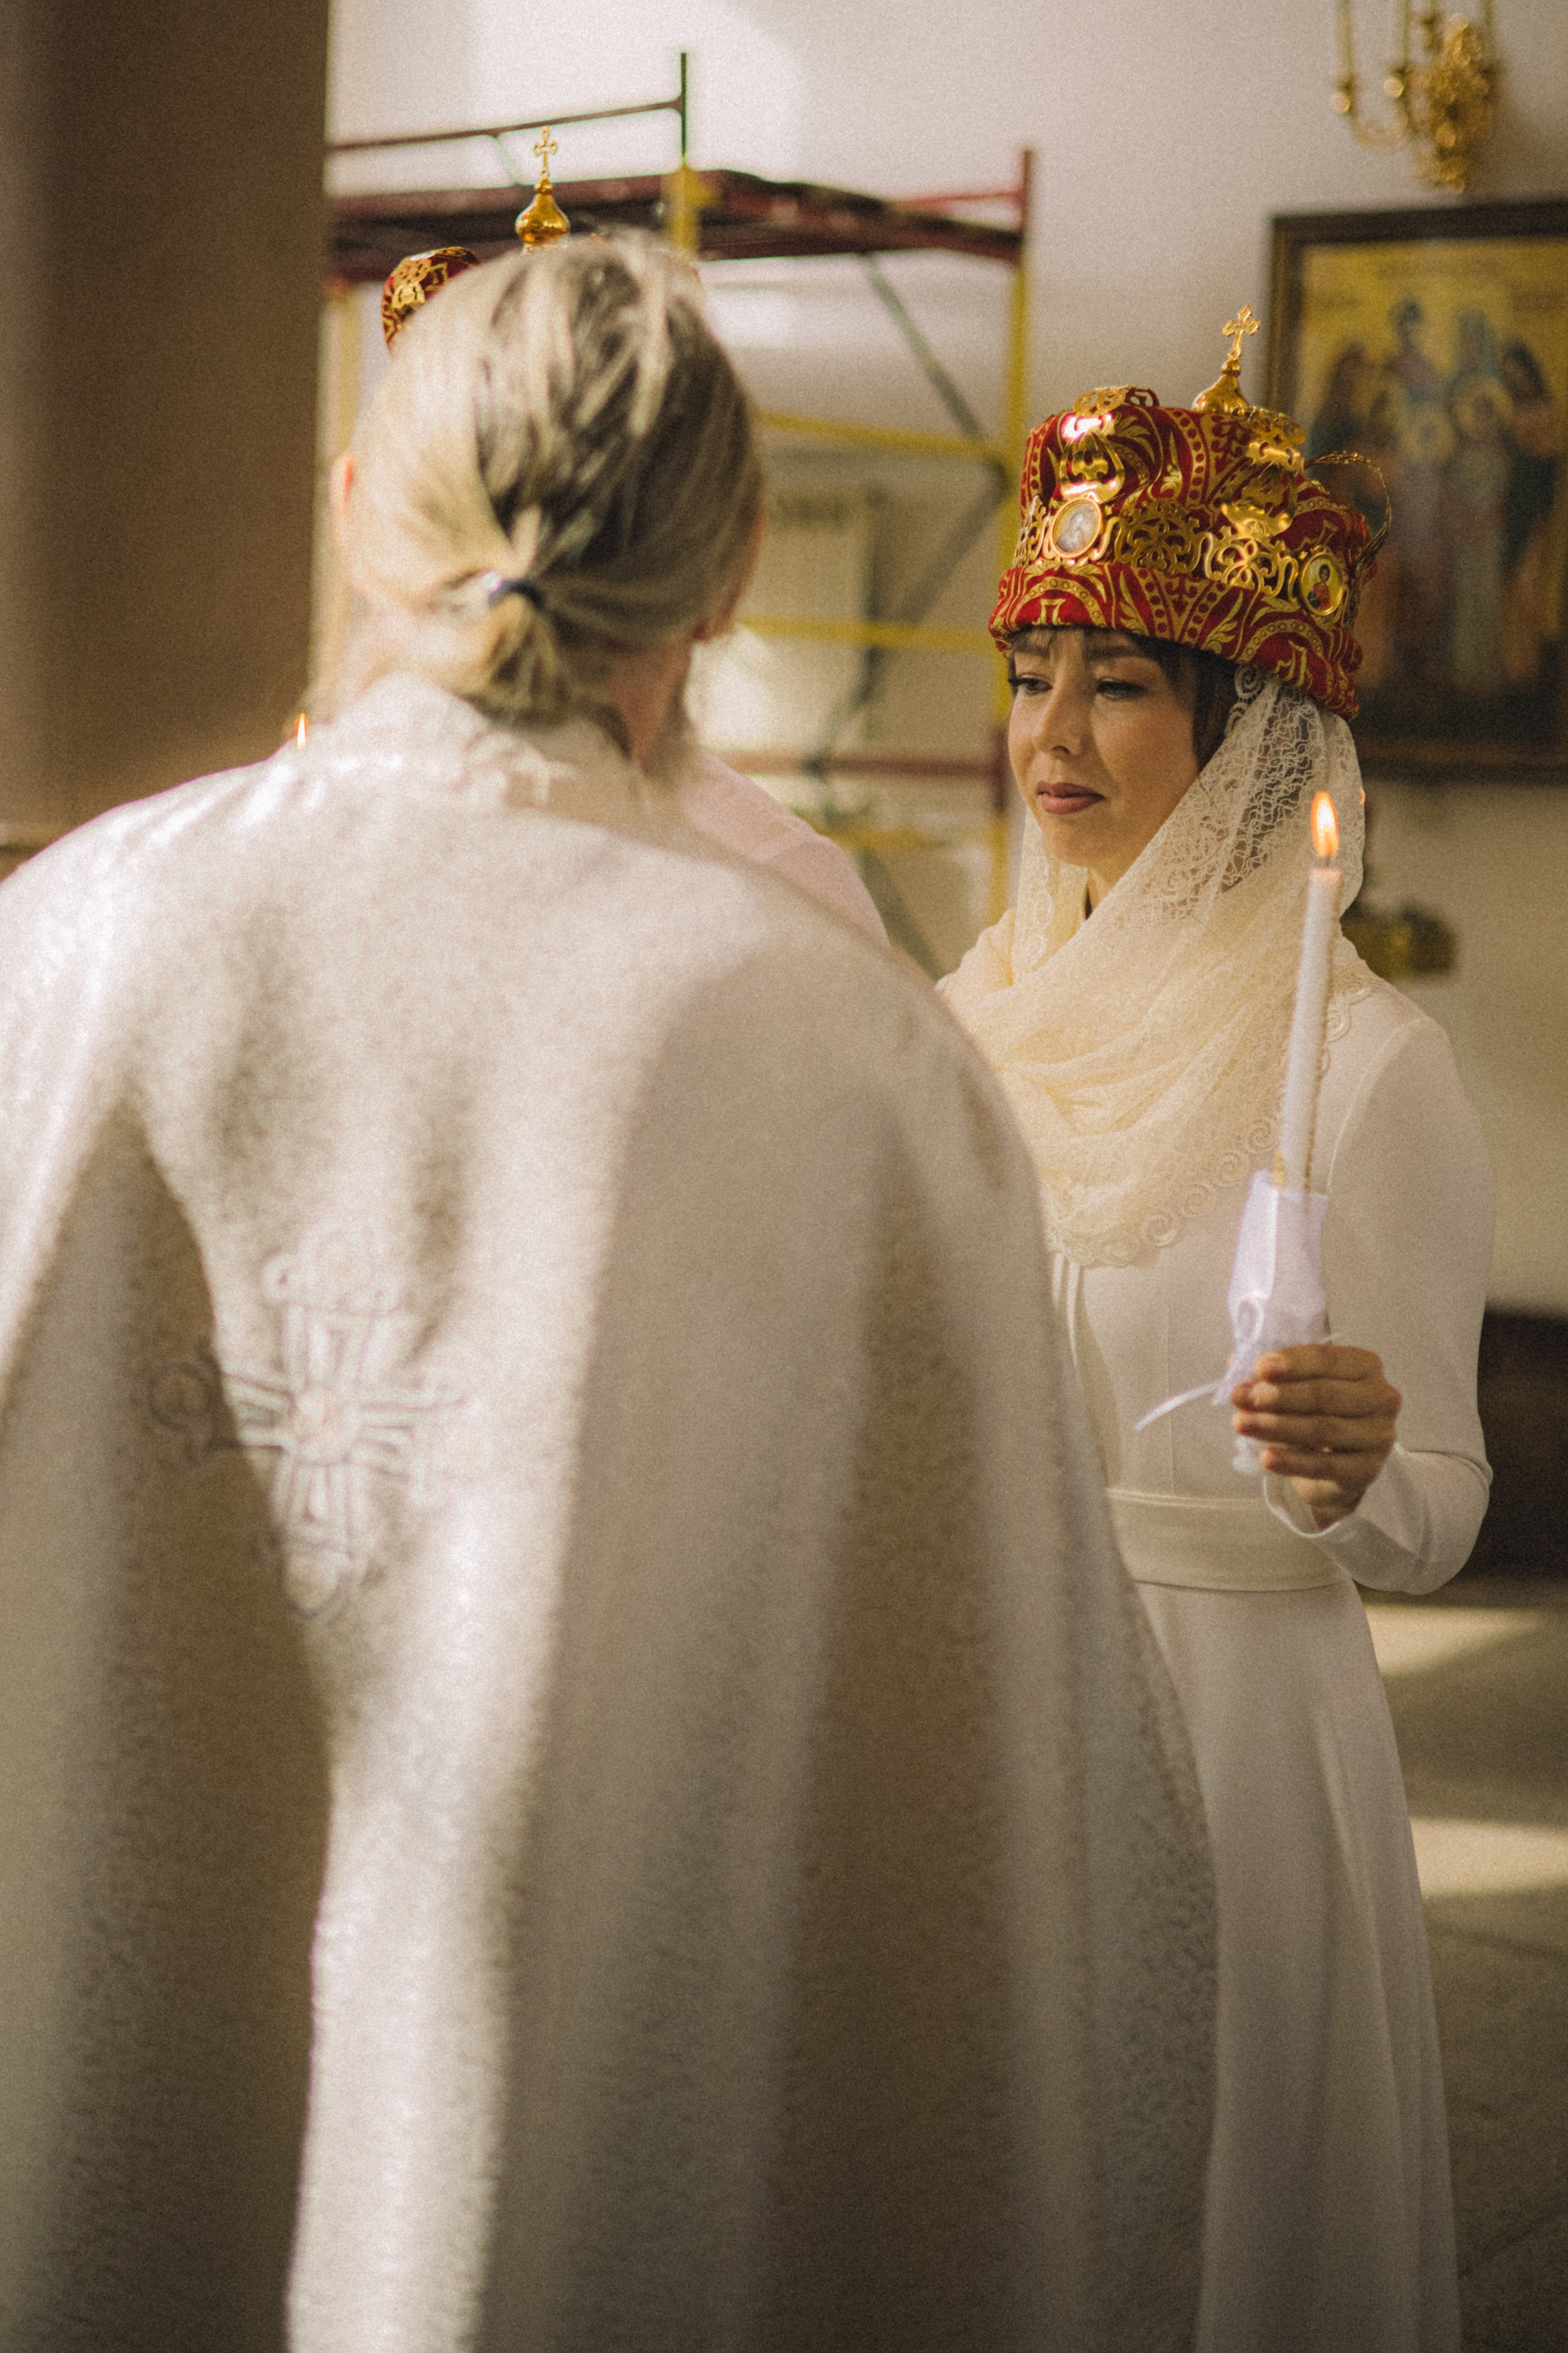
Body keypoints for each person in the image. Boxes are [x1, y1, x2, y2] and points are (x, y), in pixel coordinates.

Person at [0, 235, 1217, 2352]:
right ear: (730, 576)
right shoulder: (845, 1055)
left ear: (354, 510)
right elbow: (1027, 1835)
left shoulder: (73, 940)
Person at [942, 330, 1491, 2353]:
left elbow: (1441, 1505)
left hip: (1237, 1722)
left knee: (1216, 2229)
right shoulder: (973, 1018)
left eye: (1119, 681)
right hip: (995, 1693)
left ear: (1242, 722)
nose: (1053, 732)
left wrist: (1361, 1460)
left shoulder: (1367, 1068)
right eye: (1031, 673)